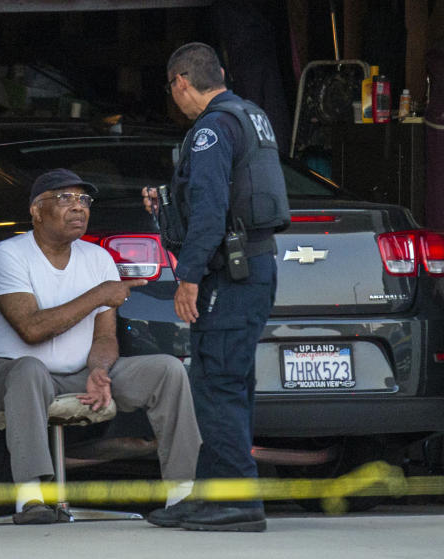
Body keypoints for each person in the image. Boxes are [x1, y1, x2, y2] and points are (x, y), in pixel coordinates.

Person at [0, 168, 201, 525]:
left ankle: (183, 495)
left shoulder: (97, 258)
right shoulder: (9, 254)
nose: (78, 207)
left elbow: (105, 338)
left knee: (167, 370)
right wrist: (98, 294)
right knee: (29, 369)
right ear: (36, 210)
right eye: (65, 199)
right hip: (10, 377)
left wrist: (99, 370)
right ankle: (32, 499)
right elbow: (31, 329)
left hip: (78, 373)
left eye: (83, 200)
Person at [143, 42, 289, 532]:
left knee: (218, 380)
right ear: (221, 74)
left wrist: (186, 277)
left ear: (181, 82)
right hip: (254, 265)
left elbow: (209, 209)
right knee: (225, 382)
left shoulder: (209, 129)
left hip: (229, 272)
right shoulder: (251, 116)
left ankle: (237, 500)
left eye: (173, 89)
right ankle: (210, 495)